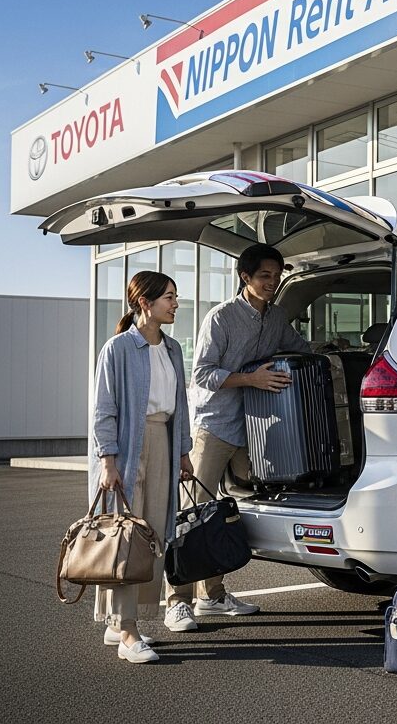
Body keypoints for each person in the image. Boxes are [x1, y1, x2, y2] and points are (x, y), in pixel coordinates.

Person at [165, 244, 313, 632]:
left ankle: (211, 596)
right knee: (193, 514)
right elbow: (202, 374)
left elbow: (300, 347)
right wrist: (252, 379)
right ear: (245, 277)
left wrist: (339, 351)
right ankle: (177, 602)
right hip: (214, 426)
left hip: (253, 428)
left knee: (225, 514)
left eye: (276, 275)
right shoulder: (221, 317)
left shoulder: (275, 316)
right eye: (264, 275)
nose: (272, 282)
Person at [88, 271, 194, 663]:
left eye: (176, 297)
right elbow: (104, 410)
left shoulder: (173, 349)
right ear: (144, 302)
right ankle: (128, 632)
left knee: (153, 534)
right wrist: (108, 460)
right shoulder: (117, 349)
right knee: (126, 538)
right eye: (169, 297)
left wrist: (183, 452)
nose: (176, 304)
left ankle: (120, 622)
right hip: (127, 451)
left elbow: (180, 405)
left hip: (164, 441)